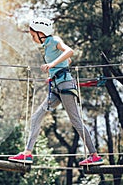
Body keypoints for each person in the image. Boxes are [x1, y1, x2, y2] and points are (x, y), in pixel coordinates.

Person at [8, 17, 104, 166]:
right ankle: (27, 153)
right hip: (56, 88)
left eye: (34, 36)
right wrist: (53, 73)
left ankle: (94, 156)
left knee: (76, 121)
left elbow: (69, 52)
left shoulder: (53, 40)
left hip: (65, 86)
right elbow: (67, 61)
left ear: (41, 33)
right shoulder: (47, 46)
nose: (33, 39)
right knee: (36, 116)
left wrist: (52, 64)